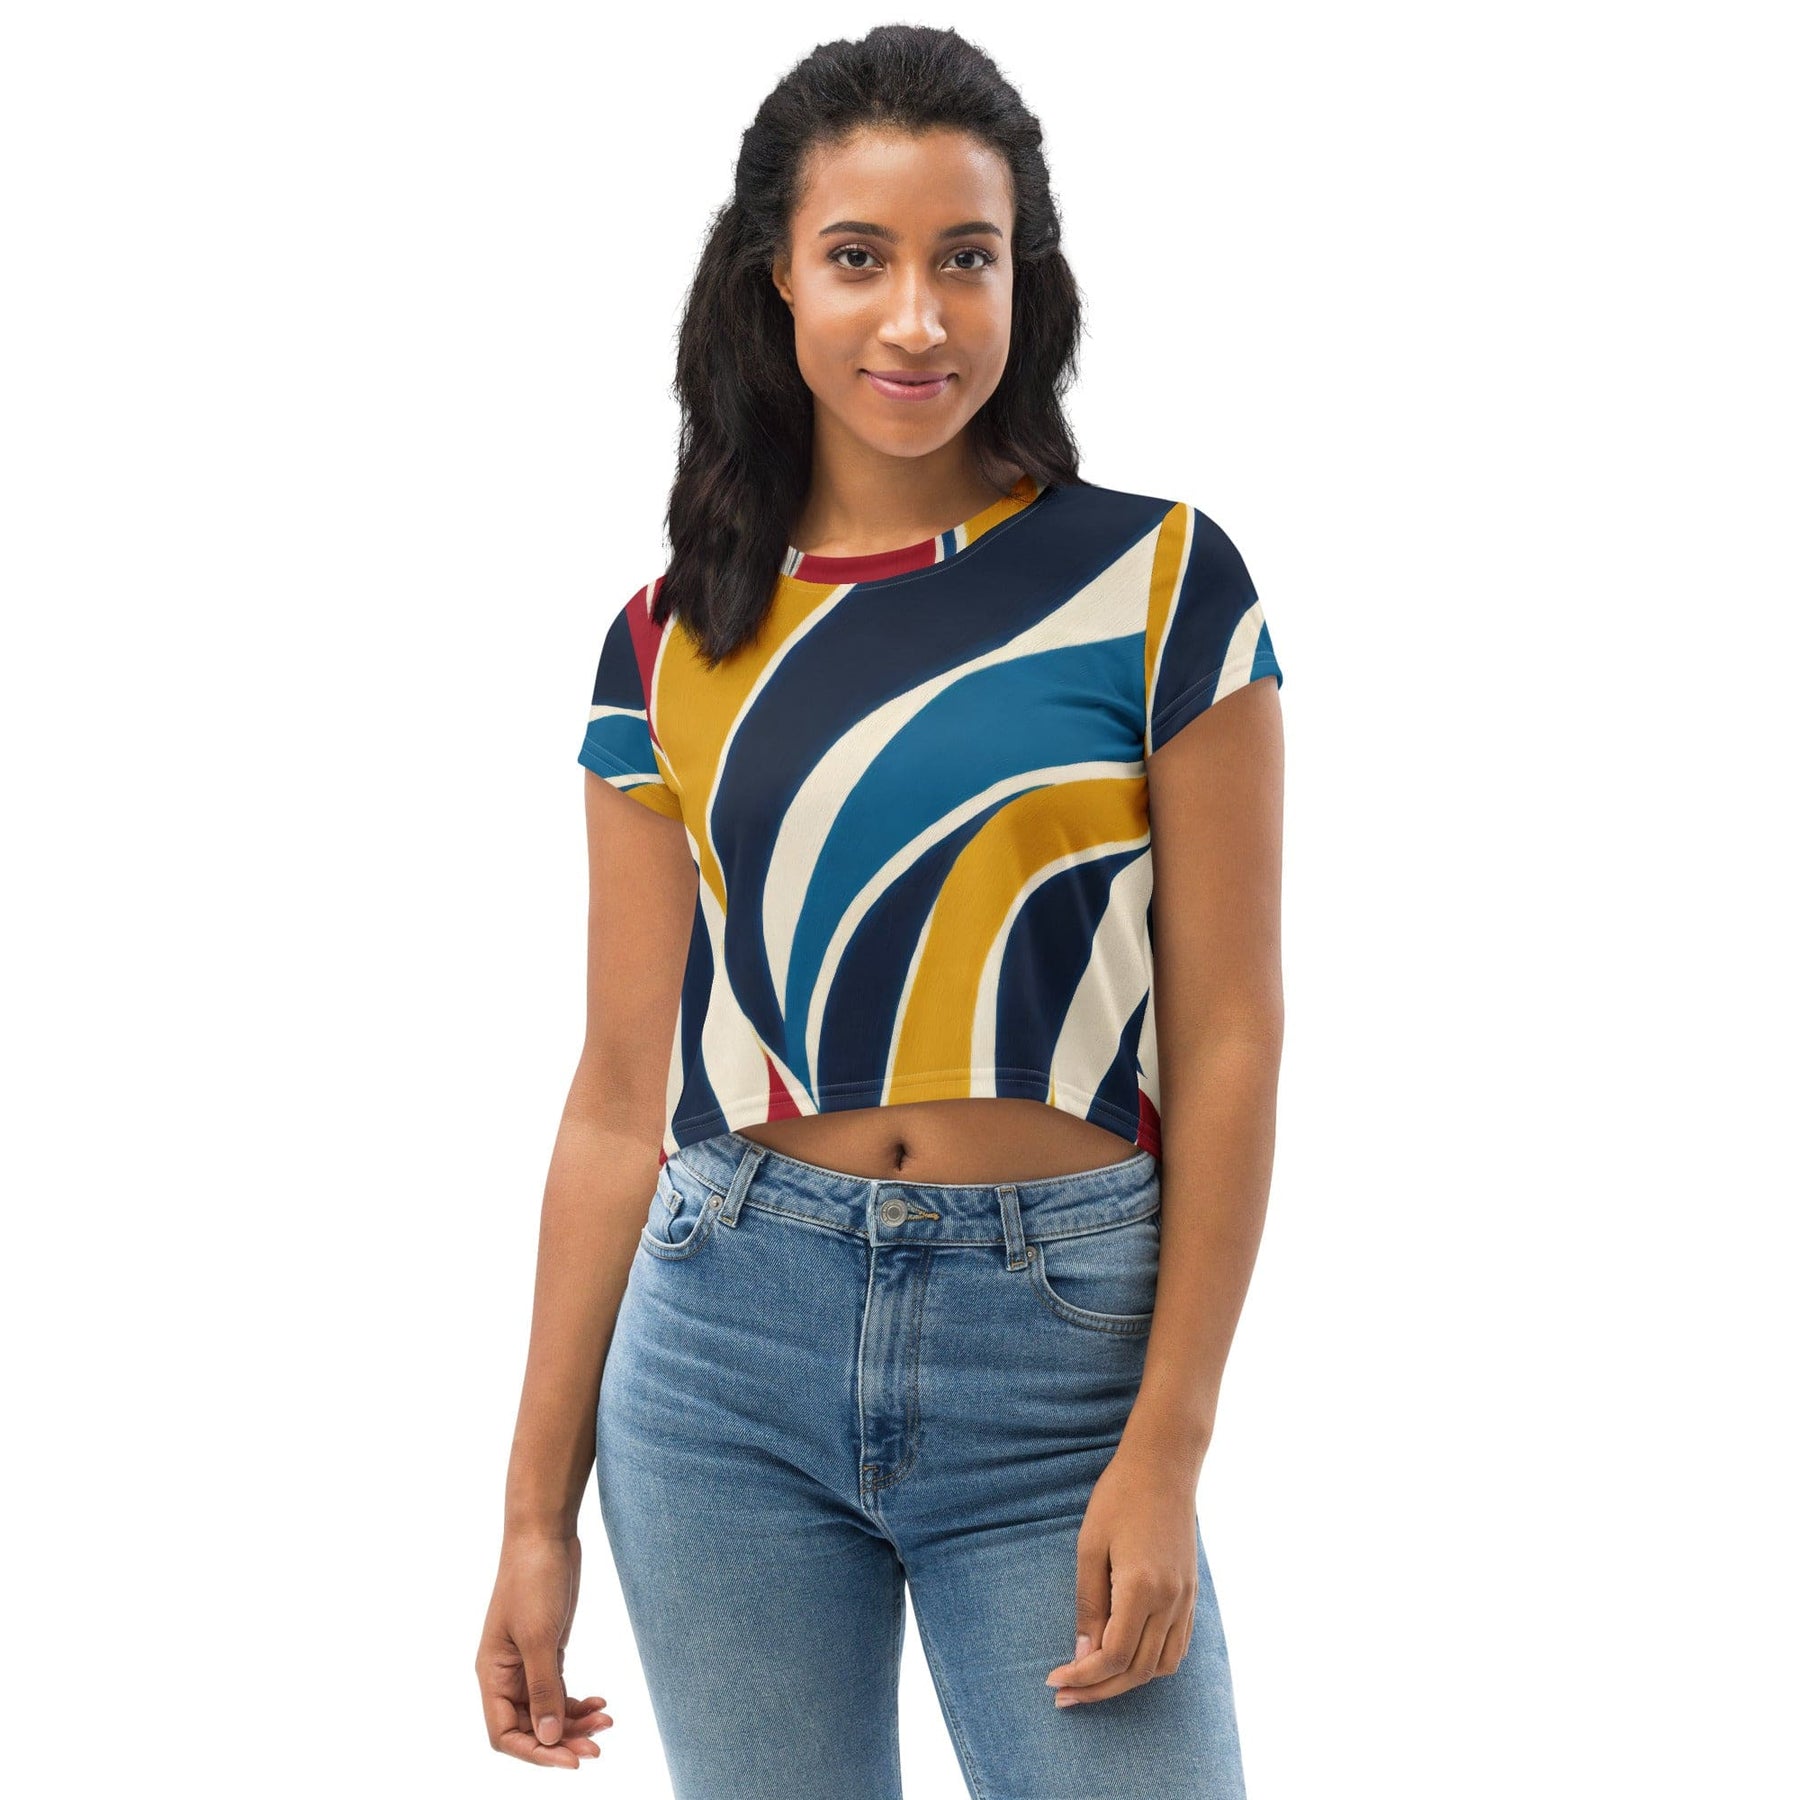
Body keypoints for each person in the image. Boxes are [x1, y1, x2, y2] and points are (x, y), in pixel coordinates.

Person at [475, 23, 1284, 1798]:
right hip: (724, 1354)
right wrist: (534, 1517)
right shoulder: (667, 641)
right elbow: (616, 1097)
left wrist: (1169, 1445)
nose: (916, 319)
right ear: (776, 278)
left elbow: (1231, 1036)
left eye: (963, 259)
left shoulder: (1159, 583)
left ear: (1024, 280)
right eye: (860, 257)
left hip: (1062, 1363)